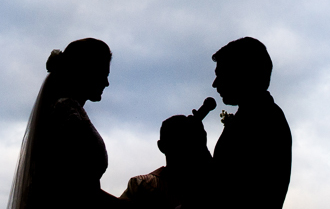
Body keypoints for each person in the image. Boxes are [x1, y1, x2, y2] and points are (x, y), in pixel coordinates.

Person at [8, 38, 124, 209]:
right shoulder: (68, 115)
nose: (107, 83)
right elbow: (78, 190)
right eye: (104, 75)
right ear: (87, 72)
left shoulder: (67, 111)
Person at [209, 37, 292, 209]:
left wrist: (194, 148)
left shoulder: (261, 120)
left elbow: (226, 188)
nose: (214, 84)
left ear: (241, 73)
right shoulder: (262, 115)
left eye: (221, 74)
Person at [121, 114, 214, 208]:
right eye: (176, 141)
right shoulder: (142, 185)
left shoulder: (142, 184)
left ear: (161, 146)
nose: (182, 147)